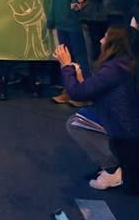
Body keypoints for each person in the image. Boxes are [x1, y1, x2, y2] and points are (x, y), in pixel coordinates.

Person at [57, 26, 139, 193]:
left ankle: (112, 169)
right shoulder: (125, 64)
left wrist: (66, 66)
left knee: (75, 123)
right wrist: (79, 78)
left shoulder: (115, 68)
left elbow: (77, 94)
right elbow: (95, 93)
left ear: (114, 45)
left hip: (124, 128)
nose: (100, 40)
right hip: (128, 124)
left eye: (105, 37)